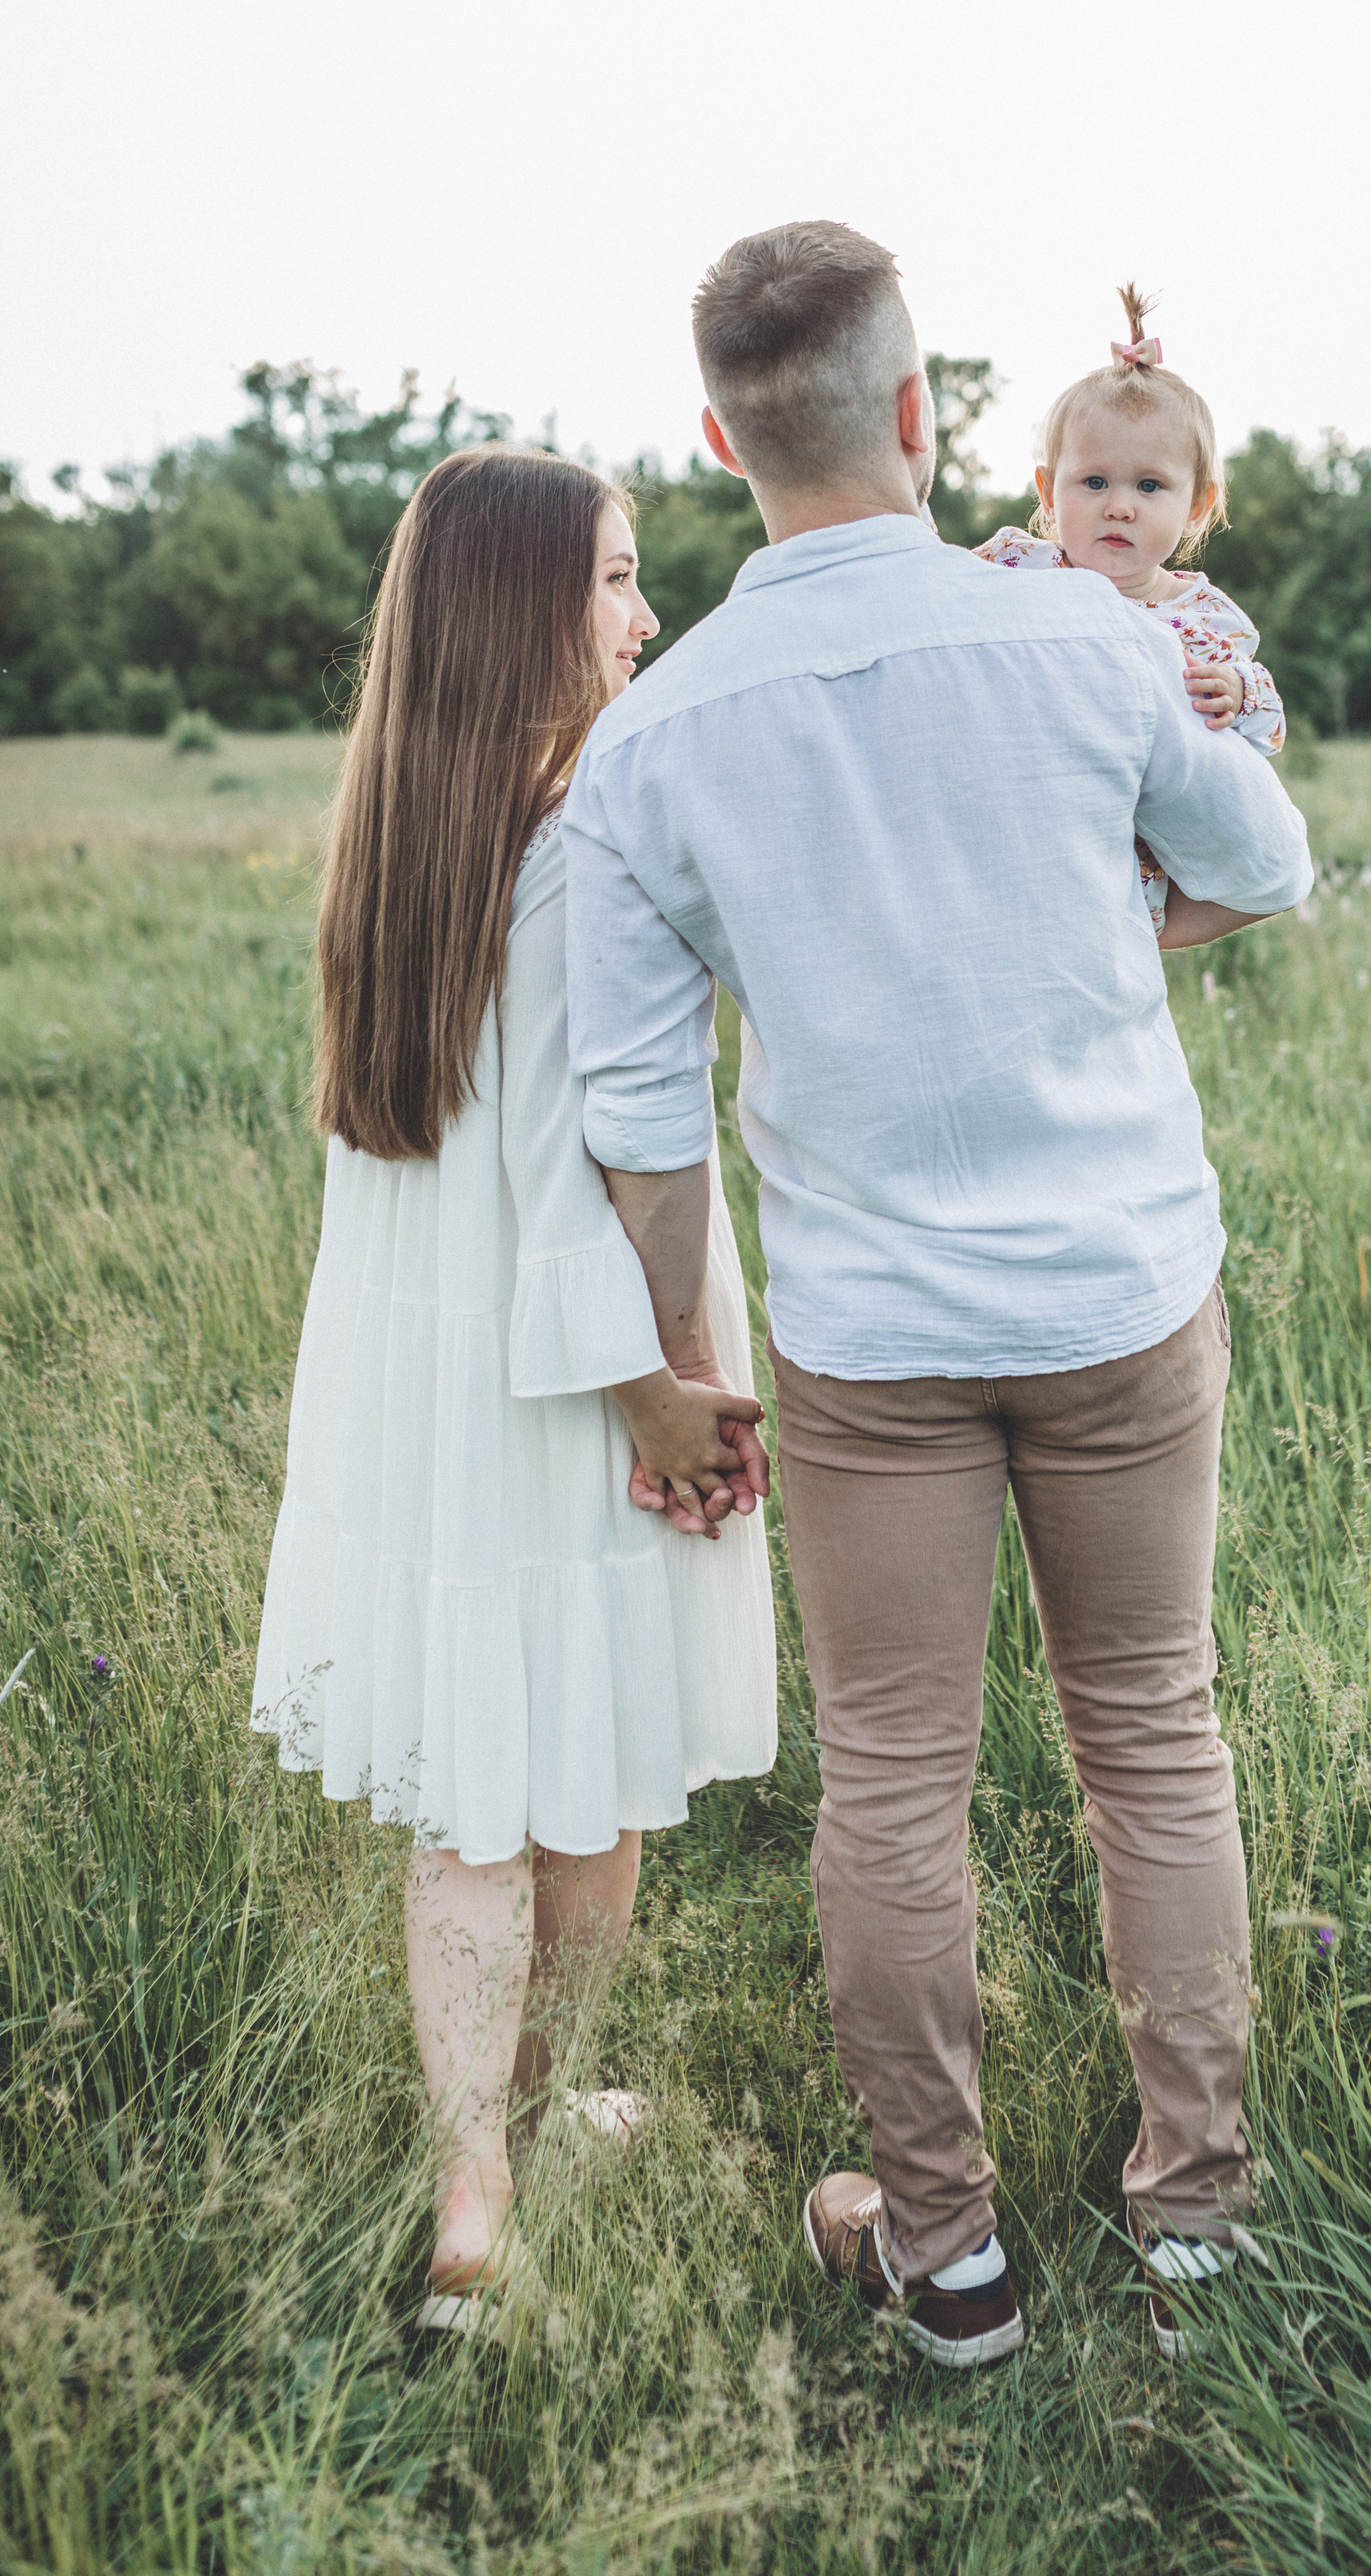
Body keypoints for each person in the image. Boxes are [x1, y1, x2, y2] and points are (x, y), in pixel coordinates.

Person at [561, 222, 1313, 2369]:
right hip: (1121, 1294)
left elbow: (643, 1106)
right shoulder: (1084, 649)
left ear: (721, 443)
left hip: (868, 1335)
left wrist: (685, 1367)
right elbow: (1264, 863)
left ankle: (946, 2253)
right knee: (1153, 1738)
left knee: (891, 1776)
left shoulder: (664, 735)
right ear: (921, 413)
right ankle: (1194, 2219)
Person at [250, 446, 777, 2337]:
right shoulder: (584, 844)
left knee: (470, 1792)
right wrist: (659, 1384)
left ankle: (472, 2170)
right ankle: (525, 2139)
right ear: (528, 607)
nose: (644, 616)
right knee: (594, 1773)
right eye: (620, 581)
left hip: (425, 1381)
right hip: (576, 1367)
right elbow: (592, 1157)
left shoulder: (401, 831)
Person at [975, 281, 1285, 935]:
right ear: (1048, 490)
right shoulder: (1019, 568)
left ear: (1197, 504)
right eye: (1094, 482)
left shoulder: (1202, 616)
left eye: (1150, 486)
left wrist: (1237, 691)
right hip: (1019, 828)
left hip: (1127, 861)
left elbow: (1264, 723)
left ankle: (1154, 937)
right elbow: (932, 599)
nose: (1119, 505)